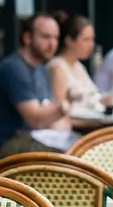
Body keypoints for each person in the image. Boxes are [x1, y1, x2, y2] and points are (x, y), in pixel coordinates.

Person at [0, 12, 73, 157]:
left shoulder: (41, 69)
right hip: (10, 144)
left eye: (56, 38)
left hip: (37, 139)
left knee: (85, 147)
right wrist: (62, 107)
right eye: (46, 37)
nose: (52, 44)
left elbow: (53, 116)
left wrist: (58, 113)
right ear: (27, 38)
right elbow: (35, 118)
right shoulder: (13, 67)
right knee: (75, 155)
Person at [49, 14, 99, 106]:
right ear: (69, 41)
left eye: (92, 39)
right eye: (85, 40)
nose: (91, 45)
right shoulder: (57, 67)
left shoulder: (79, 66)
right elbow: (59, 106)